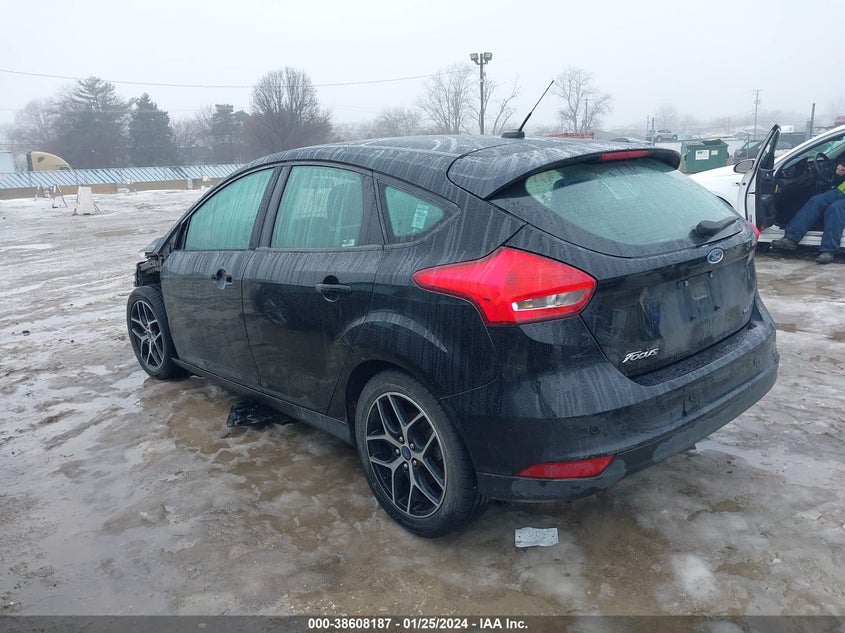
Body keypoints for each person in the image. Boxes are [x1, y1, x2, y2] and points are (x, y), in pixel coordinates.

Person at [771, 162, 845, 264]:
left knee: (835, 209)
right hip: (841, 191)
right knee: (817, 201)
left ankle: (828, 251)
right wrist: (840, 173)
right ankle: (791, 238)